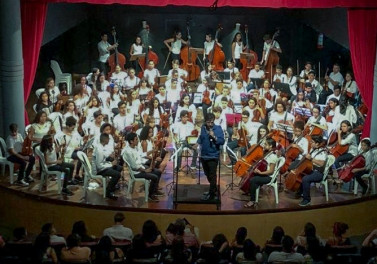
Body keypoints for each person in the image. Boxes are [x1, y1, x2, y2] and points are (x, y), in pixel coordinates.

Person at [192, 113, 225, 201]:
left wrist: (214, 136)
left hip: (213, 156)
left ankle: (212, 194)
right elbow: (201, 137)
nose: (210, 124)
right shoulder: (203, 127)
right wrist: (197, 143)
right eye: (208, 122)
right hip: (204, 155)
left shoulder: (218, 128)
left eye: (211, 122)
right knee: (207, 174)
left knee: (212, 175)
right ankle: (213, 189)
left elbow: (222, 141)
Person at [122, 132, 163, 202]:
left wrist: (153, 151)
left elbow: (143, 154)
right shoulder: (128, 152)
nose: (138, 140)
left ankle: (154, 190)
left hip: (141, 167)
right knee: (154, 177)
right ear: (131, 141)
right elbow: (134, 166)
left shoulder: (135, 148)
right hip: (136, 172)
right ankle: (150, 195)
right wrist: (145, 171)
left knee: (158, 172)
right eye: (136, 139)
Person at [244, 137, 278, 208]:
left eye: (265, 144)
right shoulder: (267, 153)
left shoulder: (273, 156)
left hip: (269, 177)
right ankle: (250, 192)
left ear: (271, 146)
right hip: (265, 174)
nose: (264, 146)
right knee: (252, 176)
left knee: (253, 180)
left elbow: (271, 171)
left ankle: (252, 201)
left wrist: (260, 173)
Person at [297, 135, 328, 206]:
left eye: (312, 142)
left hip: (319, 173)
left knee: (305, 179)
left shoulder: (322, 151)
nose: (310, 143)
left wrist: (311, 159)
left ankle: (307, 200)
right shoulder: (312, 149)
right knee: (301, 174)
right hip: (311, 170)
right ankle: (301, 192)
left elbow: (321, 163)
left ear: (317, 143)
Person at [93, 133, 121, 200]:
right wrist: (111, 164)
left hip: (102, 167)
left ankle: (111, 185)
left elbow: (104, 158)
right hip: (99, 170)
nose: (109, 140)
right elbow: (99, 166)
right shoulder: (99, 150)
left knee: (119, 167)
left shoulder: (101, 146)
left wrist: (110, 157)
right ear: (105, 139)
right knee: (117, 174)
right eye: (108, 139)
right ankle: (108, 192)